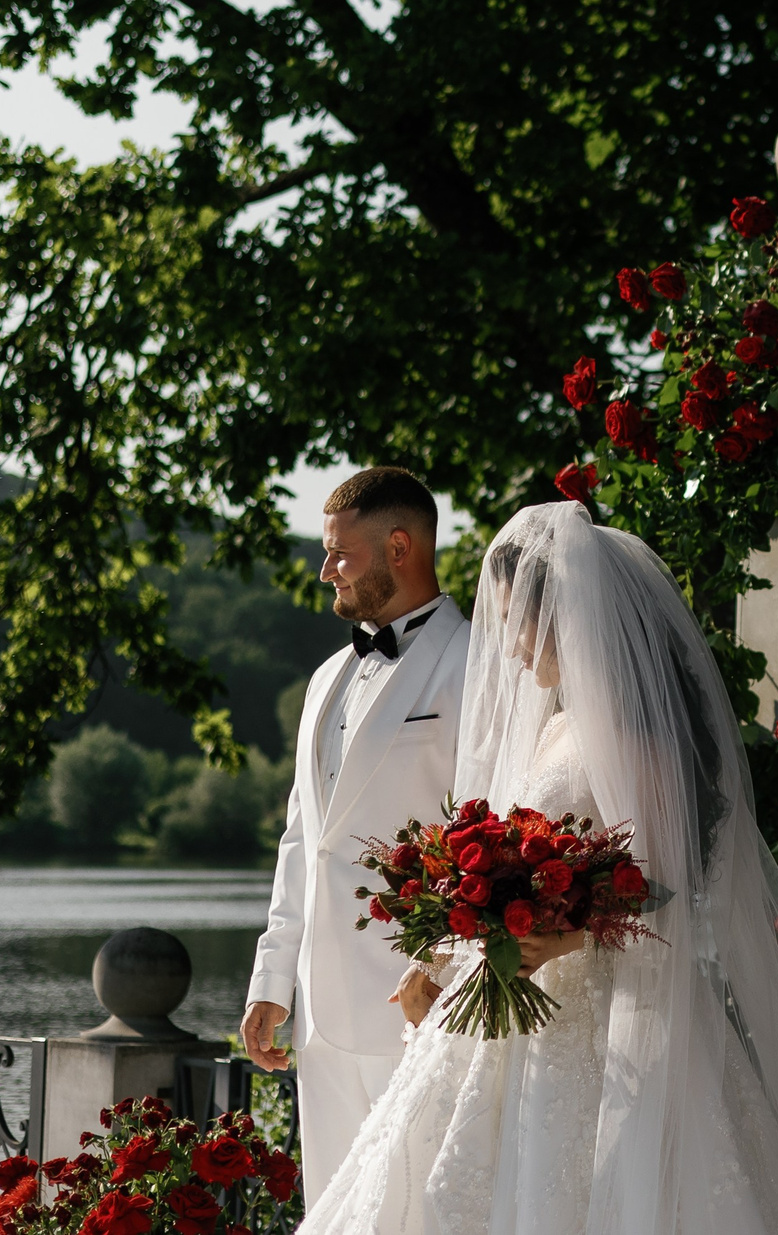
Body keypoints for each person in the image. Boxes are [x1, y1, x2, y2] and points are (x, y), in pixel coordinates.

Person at [299, 500, 778, 1235]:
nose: (511, 647)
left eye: (518, 621)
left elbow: (666, 881)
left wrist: (572, 936)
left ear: (563, 617)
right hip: (516, 998)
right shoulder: (552, 726)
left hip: (611, 1013)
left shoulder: (629, 738)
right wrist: (449, 953)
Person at [244, 467, 473, 1207]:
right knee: (337, 1210)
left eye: (341, 554)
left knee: (419, 1210)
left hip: (417, 1000)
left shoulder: (474, 663)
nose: (326, 570)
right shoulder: (324, 678)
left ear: (399, 547)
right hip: (320, 1015)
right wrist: (271, 982)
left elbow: (489, 831)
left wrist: (444, 966)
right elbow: (302, 840)